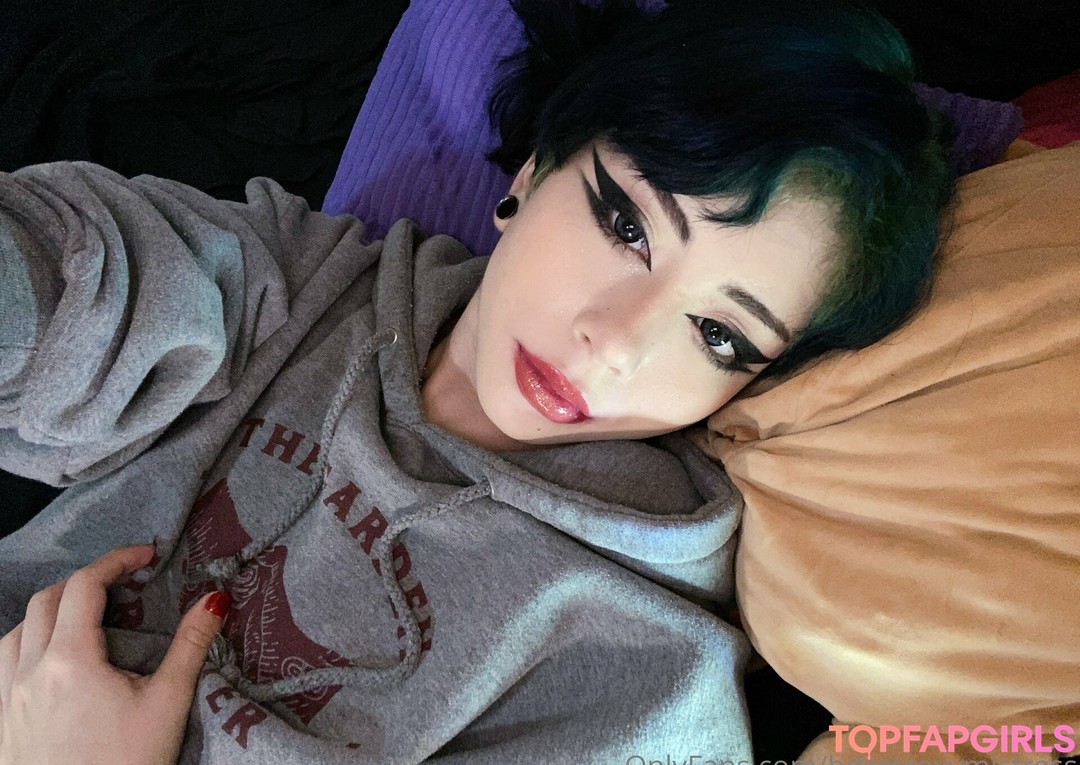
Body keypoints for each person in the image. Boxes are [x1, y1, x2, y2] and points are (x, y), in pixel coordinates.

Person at [0, 0, 952, 762]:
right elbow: (72, 271)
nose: (613, 343)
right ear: (532, 174)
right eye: (627, 227)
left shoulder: (639, 665)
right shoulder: (296, 284)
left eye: (719, 334)